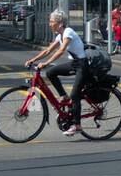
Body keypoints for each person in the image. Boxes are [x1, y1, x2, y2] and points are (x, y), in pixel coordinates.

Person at [26, 8, 87, 137]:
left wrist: (46, 63)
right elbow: (47, 50)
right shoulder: (60, 35)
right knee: (51, 73)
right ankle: (63, 96)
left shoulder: (68, 32)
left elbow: (61, 50)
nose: (49, 23)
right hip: (74, 63)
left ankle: (77, 125)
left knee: (75, 95)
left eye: (51, 21)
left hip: (82, 65)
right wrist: (32, 60)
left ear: (59, 23)